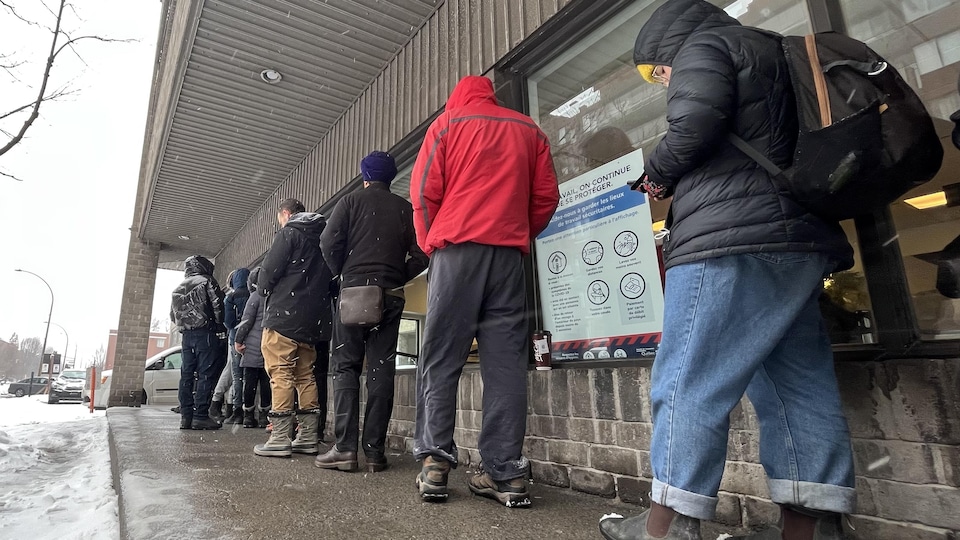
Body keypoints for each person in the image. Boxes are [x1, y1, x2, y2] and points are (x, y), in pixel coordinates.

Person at [598, 2, 856, 539]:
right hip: (799, 237)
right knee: (797, 382)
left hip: (729, 239)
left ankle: (666, 526)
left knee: (687, 379)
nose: (659, 79)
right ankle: (813, 528)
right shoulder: (777, 50)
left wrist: (656, 173)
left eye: (653, 70)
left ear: (665, 47)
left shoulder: (705, 46)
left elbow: (695, 122)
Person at [409, 75, 560, 506]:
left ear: (456, 95)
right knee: (506, 365)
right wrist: (516, 233)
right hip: (508, 258)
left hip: (456, 253)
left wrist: (430, 243)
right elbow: (546, 196)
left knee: (440, 358)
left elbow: (423, 193)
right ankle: (505, 472)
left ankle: (436, 464)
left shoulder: (448, 124)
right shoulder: (529, 129)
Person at [315, 151, 429, 473]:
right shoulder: (405, 209)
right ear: (391, 178)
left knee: (346, 367)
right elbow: (422, 254)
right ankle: (375, 453)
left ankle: (345, 450)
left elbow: (327, 242)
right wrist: (395, 277)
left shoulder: (350, 203)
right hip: (391, 296)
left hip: (353, 295)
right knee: (382, 369)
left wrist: (343, 274)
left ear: (365, 176)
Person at [254, 198, 334, 458]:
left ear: (286, 214)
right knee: (305, 375)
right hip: (312, 321)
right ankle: (308, 436)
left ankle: (279, 438)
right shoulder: (324, 238)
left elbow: (268, 273)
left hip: (284, 316)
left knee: (281, 373)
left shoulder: (289, 233)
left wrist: (264, 290)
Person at [170, 255, 227, 431]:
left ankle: (186, 416)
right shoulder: (207, 281)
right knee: (206, 374)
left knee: (187, 374)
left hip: (186, 335)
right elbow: (218, 306)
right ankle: (200, 415)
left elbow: (173, 315)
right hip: (206, 333)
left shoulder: (178, 288)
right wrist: (219, 326)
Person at [235, 267, 270, 428]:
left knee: (249, 384)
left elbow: (246, 321)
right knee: (266, 384)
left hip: (252, 348)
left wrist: (238, 340)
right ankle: (264, 416)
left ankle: (248, 416)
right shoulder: (272, 296)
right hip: (269, 347)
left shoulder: (254, 297)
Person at [218, 268, 250, 424]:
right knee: (252, 376)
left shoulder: (230, 297)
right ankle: (251, 412)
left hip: (235, 340)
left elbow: (228, 322)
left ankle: (237, 412)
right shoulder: (255, 296)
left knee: (238, 377)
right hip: (253, 341)